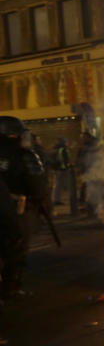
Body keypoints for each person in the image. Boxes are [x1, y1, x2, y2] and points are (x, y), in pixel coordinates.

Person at [0, 116, 47, 300]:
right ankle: (11, 287)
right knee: (17, 247)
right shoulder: (23, 154)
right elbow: (37, 183)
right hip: (18, 208)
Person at [51, 137, 73, 207]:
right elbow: (65, 160)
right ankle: (58, 200)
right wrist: (68, 166)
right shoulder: (63, 149)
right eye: (66, 141)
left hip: (58, 169)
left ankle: (56, 199)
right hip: (62, 170)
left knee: (58, 185)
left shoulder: (56, 149)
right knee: (66, 185)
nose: (67, 143)